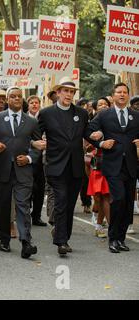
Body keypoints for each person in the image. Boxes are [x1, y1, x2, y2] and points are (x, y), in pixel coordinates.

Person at [37, 77, 95, 256]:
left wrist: (99, 138)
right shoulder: (46, 113)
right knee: (61, 202)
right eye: (66, 91)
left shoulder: (81, 113)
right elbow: (35, 134)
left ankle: (64, 236)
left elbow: (88, 133)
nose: (69, 94)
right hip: (55, 166)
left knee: (69, 205)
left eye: (72, 92)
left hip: (76, 167)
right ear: (58, 93)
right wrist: (35, 144)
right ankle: (61, 242)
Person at [0, 87, 41, 259]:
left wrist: (30, 158)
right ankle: (4, 239)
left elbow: (38, 144)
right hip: (2, 170)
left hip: (23, 170)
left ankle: (26, 242)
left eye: (19, 97)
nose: (16, 99)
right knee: (2, 207)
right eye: (13, 96)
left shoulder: (31, 121)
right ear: (7, 99)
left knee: (23, 206)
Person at [88, 83, 139, 253]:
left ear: (128, 95)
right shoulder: (104, 115)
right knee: (118, 199)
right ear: (113, 95)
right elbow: (88, 131)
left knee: (127, 204)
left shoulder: (135, 115)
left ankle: (121, 239)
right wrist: (101, 142)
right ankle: (113, 238)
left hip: (131, 166)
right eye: (119, 92)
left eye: (125, 92)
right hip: (112, 165)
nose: (122, 95)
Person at [86, 98, 111, 238]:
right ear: (96, 108)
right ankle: (97, 220)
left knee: (106, 196)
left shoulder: (114, 121)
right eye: (100, 104)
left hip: (111, 164)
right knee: (98, 198)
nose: (103, 106)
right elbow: (86, 144)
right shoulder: (93, 124)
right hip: (97, 164)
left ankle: (101, 224)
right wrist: (92, 144)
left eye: (106, 104)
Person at [26, 96, 47, 227]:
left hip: (42, 159)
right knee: (28, 187)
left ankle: (37, 216)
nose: (34, 105)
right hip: (26, 157)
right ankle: (25, 213)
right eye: (32, 103)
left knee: (40, 188)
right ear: (28, 105)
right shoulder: (24, 119)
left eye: (36, 103)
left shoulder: (44, 117)